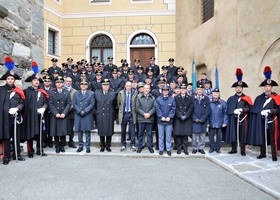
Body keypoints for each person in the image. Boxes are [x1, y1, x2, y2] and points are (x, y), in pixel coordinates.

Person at [247, 66, 280, 161]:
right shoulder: (259, 98)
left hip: (272, 120)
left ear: (271, 87)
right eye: (265, 86)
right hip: (262, 121)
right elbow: (255, 109)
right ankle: (263, 153)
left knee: (272, 137)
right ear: (264, 87)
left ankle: (274, 155)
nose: (267, 87)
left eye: (269, 86)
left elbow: (278, 110)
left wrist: (270, 111)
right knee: (262, 136)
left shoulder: (276, 97)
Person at [0, 57, 25, 165]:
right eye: (9, 78)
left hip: (15, 118)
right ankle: (6, 157)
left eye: (12, 79)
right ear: (6, 79)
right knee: (6, 137)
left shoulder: (18, 91)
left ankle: (17, 154)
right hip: (4, 118)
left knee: (16, 136)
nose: (10, 80)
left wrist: (17, 109)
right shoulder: (1, 90)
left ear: (14, 80)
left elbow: (22, 103)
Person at [23, 62, 49, 158]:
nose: (37, 82)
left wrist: (43, 108)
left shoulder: (42, 91)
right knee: (30, 134)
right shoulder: (27, 91)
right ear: (31, 81)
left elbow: (46, 102)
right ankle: (30, 151)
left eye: (38, 80)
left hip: (40, 116)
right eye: (35, 80)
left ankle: (40, 149)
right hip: (30, 116)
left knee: (40, 134)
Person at [225, 68, 252, 156]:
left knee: (242, 135)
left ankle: (243, 150)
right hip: (233, 119)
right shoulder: (231, 99)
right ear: (235, 89)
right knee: (233, 134)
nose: (238, 89)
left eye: (240, 87)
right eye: (237, 87)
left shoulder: (246, 98)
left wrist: (242, 110)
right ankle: (233, 149)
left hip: (243, 120)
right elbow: (228, 110)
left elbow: (249, 108)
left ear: (242, 89)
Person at [49, 76, 71, 153]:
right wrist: (56, 113)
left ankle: (62, 145)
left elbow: (69, 104)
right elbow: (50, 104)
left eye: (61, 82)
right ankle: (57, 146)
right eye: (58, 82)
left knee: (63, 131)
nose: (59, 84)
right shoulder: (51, 92)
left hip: (63, 114)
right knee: (55, 131)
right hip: (55, 114)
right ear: (55, 84)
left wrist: (64, 113)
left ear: (63, 83)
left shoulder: (66, 92)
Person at [95, 79, 117, 152]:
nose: (105, 86)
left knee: (109, 130)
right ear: (101, 85)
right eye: (104, 85)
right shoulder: (97, 93)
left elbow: (115, 104)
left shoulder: (113, 93)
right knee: (101, 130)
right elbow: (95, 104)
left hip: (109, 113)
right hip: (100, 113)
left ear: (109, 85)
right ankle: (102, 145)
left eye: (107, 85)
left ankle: (108, 145)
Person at [73, 80, 95, 153]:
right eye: (82, 84)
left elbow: (92, 104)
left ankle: (88, 146)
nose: (83, 85)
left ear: (87, 85)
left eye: (85, 84)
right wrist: (79, 111)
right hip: (78, 113)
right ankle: (80, 146)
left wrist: (85, 111)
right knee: (80, 131)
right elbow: (74, 103)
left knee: (87, 132)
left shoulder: (91, 93)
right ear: (80, 85)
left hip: (87, 114)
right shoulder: (76, 93)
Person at [173, 83, 194, 155]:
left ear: (186, 90)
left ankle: (185, 149)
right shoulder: (176, 98)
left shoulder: (190, 98)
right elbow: (175, 108)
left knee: (185, 135)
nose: (183, 90)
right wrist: (179, 115)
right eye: (182, 89)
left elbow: (191, 108)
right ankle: (179, 148)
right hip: (179, 118)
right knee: (178, 135)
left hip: (187, 118)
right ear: (180, 90)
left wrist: (186, 115)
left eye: (184, 89)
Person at [156, 85, 176, 156]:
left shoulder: (172, 99)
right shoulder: (158, 99)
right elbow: (157, 109)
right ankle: (161, 149)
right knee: (161, 136)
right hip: (160, 121)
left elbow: (173, 109)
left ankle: (168, 149)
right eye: (164, 90)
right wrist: (161, 117)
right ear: (162, 91)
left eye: (166, 90)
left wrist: (169, 117)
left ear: (168, 91)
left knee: (168, 136)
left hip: (169, 121)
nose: (165, 92)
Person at [136, 84, 156, 154]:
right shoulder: (139, 97)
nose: (146, 90)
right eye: (145, 88)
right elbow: (137, 107)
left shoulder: (153, 98)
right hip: (141, 118)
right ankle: (140, 146)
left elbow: (154, 107)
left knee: (149, 134)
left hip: (150, 119)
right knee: (140, 134)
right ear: (143, 89)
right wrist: (144, 114)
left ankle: (150, 146)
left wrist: (149, 114)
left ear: (150, 90)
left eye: (148, 88)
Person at [118, 81, 138, 151]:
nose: (128, 87)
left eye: (130, 86)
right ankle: (123, 144)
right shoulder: (121, 93)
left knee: (132, 131)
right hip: (124, 114)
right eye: (127, 86)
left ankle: (132, 145)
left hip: (132, 114)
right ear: (125, 86)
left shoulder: (135, 93)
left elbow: (136, 103)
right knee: (123, 130)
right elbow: (119, 103)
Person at [192, 84, 210, 154]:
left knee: (202, 135)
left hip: (203, 120)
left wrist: (202, 119)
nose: (199, 91)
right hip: (194, 120)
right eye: (198, 89)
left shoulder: (206, 98)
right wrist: (195, 118)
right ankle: (194, 148)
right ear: (196, 90)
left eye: (201, 89)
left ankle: (201, 148)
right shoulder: (192, 98)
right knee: (194, 136)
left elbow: (207, 110)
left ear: (203, 90)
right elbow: (191, 109)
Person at [208, 88, 228, 153]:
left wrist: (225, 122)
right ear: (212, 94)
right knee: (211, 136)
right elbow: (206, 113)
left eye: (217, 93)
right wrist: (207, 122)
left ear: (219, 94)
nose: (215, 94)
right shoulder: (209, 102)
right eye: (214, 93)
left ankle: (218, 148)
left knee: (219, 136)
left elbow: (225, 113)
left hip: (220, 122)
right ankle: (212, 148)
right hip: (211, 121)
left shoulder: (223, 102)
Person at [64, 77, 77, 148]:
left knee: (71, 128)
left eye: (70, 81)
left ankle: (71, 141)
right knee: (62, 127)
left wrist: (71, 106)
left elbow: (76, 101)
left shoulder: (74, 91)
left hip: (71, 112)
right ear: (64, 82)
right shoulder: (62, 89)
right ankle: (62, 141)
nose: (68, 83)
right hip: (62, 112)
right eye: (67, 81)